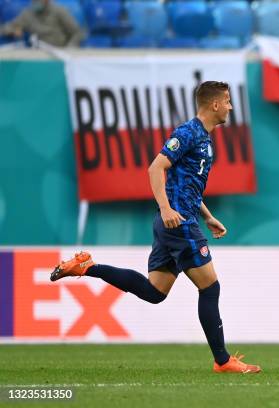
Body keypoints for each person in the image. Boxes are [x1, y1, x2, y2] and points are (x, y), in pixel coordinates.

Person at [50, 81, 261, 374]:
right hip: (178, 223)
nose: (230, 106)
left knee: (154, 292)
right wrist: (166, 208)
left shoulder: (205, 138)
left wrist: (208, 215)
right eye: (227, 101)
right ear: (214, 105)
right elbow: (155, 168)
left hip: (177, 220)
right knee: (210, 287)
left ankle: (87, 266)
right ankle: (223, 361)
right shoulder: (188, 132)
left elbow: (185, 184)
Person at [0, 0, 84, 47]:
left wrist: (69, 49)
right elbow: (9, 27)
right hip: (38, 54)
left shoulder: (59, 11)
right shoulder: (28, 14)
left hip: (59, 52)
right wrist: (12, 30)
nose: (36, 2)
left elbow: (78, 33)